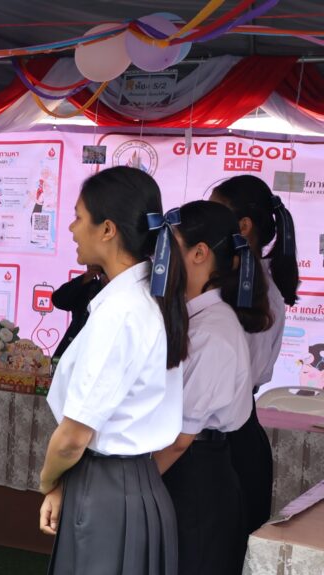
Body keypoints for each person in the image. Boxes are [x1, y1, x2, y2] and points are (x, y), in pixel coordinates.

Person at [39, 166, 188, 575]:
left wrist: (48, 480)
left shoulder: (121, 311)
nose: (72, 228)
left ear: (107, 229)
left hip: (107, 494)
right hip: (130, 486)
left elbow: (73, 437)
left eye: (78, 217)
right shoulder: (145, 298)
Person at [153, 200, 273, 575]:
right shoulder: (196, 319)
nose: (158, 261)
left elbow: (180, 439)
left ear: (200, 253)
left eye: (168, 249)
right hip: (186, 470)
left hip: (196, 476)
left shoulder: (212, 332)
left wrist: (135, 487)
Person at [210, 175, 298, 534]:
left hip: (224, 439)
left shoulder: (246, 291)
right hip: (236, 433)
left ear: (243, 226)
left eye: (215, 213)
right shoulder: (256, 285)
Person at [51, 265, 106, 359]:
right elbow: (59, 300)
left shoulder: (126, 293)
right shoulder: (89, 286)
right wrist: (87, 276)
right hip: (73, 353)